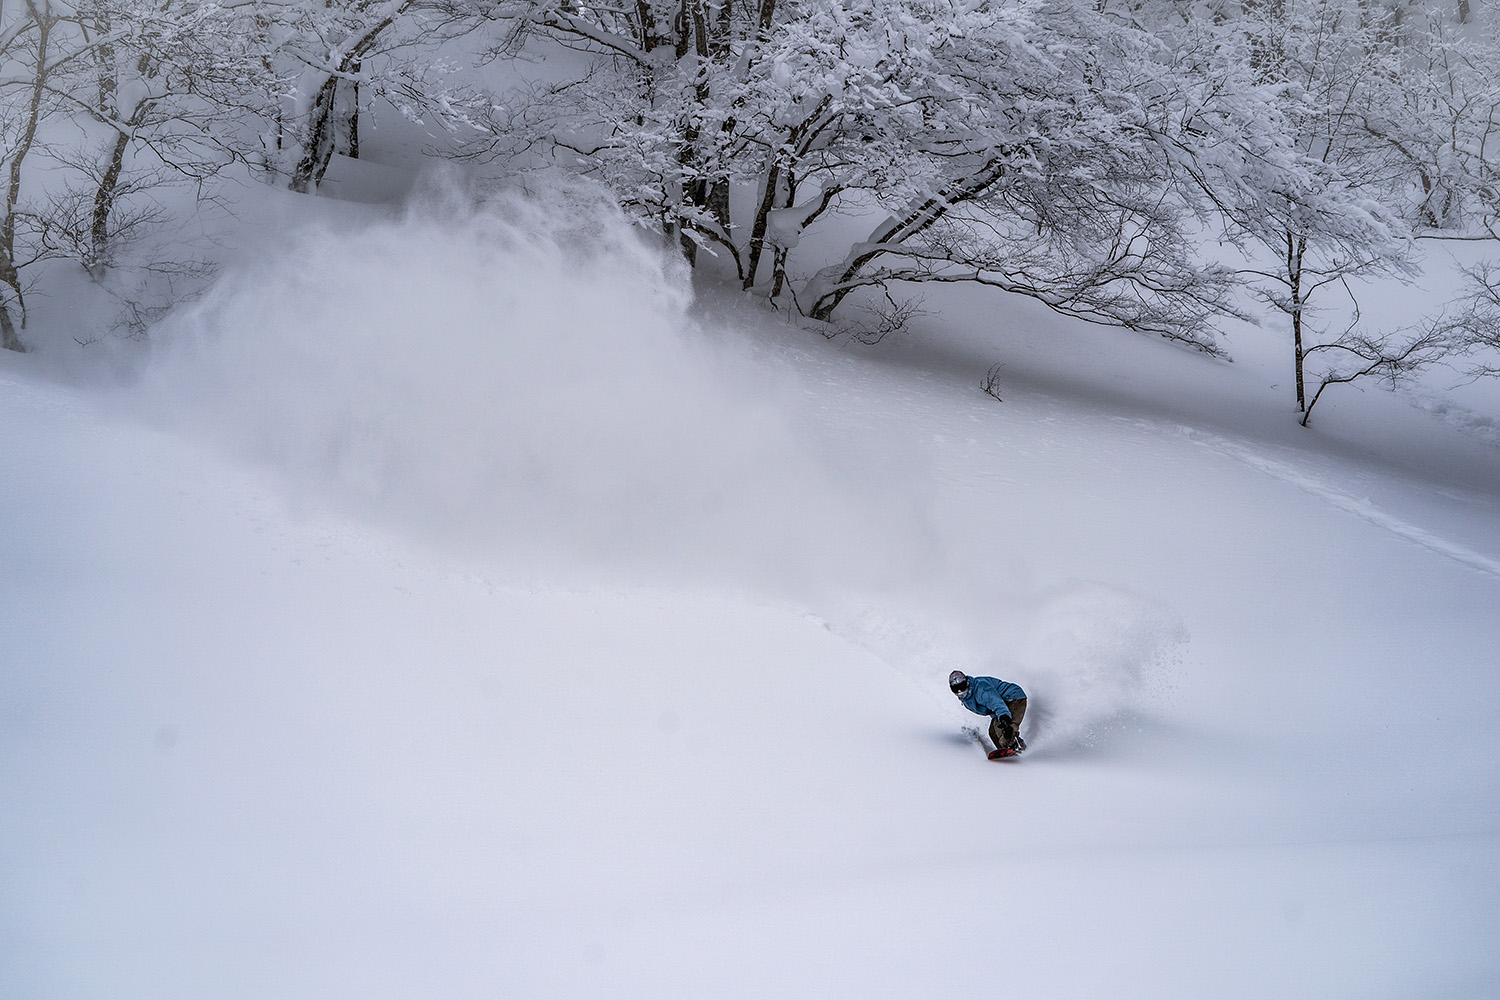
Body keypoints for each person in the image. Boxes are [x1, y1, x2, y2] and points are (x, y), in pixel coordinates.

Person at [949, 671, 1027, 756]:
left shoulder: (981, 689)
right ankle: (1009, 750)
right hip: (1004, 704)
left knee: (1004, 729)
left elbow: (996, 703)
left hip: (1013, 698)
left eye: (961, 687)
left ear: (966, 682)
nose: (960, 691)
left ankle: (1015, 749)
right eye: (956, 689)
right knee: (993, 732)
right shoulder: (967, 697)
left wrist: (1004, 718)